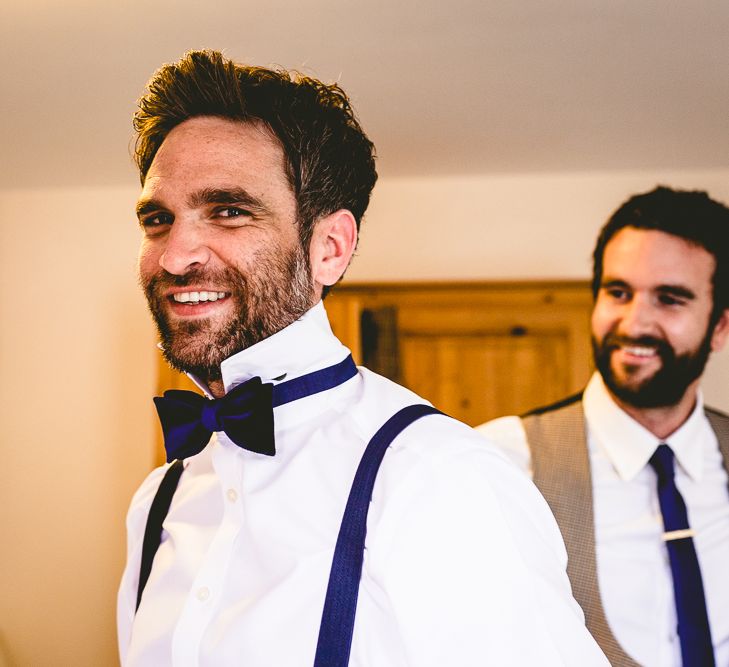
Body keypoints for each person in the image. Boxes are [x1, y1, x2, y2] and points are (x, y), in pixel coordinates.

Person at [117, 49, 607, 666]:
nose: (175, 255)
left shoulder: (441, 478)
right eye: (158, 219)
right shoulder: (155, 503)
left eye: (230, 211)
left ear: (330, 248)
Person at [479, 186, 729, 667]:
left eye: (670, 299)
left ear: (719, 327)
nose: (635, 323)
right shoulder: (503, 460)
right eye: (618, 292)